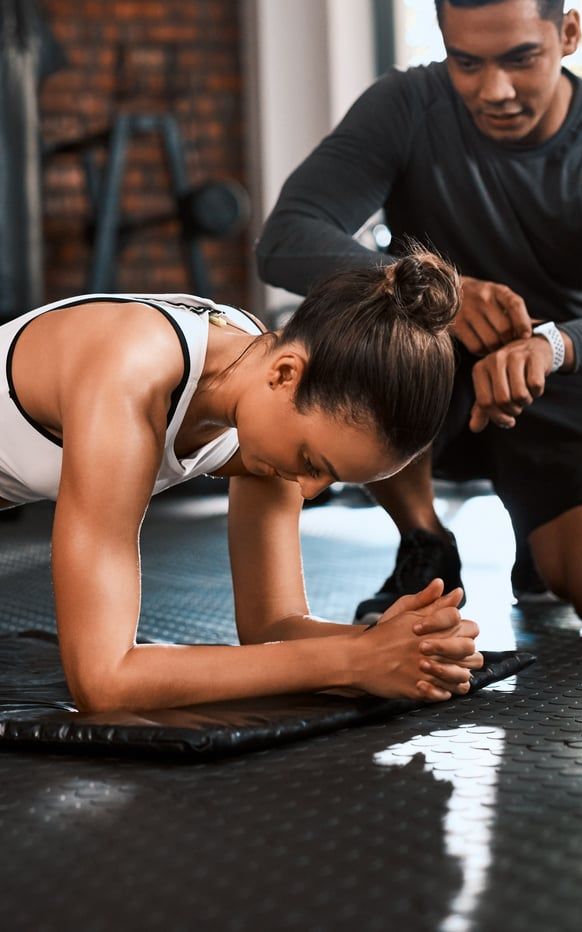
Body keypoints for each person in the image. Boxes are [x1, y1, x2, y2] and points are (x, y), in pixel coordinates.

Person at [256, 0, 582, 631]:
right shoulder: (405, 106)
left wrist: (551, 347)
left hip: (558, 375)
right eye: (466, 63)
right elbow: (285, 238)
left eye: (520, 58)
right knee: (358, 337)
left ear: (568, 31)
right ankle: (425, 541)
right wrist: (434, 287)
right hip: (423, 368)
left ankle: (539, 529)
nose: (493, 90)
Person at [0, 250, 484, 711]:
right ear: (285, 373)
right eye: (312, 461)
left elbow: (272, 625)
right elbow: (104, 679)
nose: (310, 489)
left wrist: (395, 646)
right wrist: (353, 661)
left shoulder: (255, 375)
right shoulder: (131, 371)